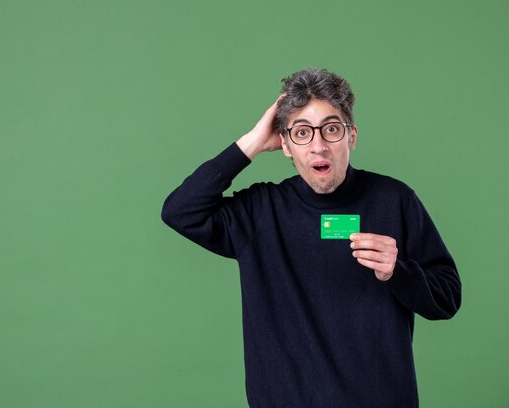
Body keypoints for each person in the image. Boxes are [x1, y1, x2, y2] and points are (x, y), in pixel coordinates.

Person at [161, 68, 461, 408]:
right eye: (302, 133)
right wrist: (253, 142)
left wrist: (398, 272)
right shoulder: (261, 211)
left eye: (331, 129)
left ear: (352, 137)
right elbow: (180, 211)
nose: (318, 146)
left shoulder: (395, 200)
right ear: (286, 146)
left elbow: (447, 299)